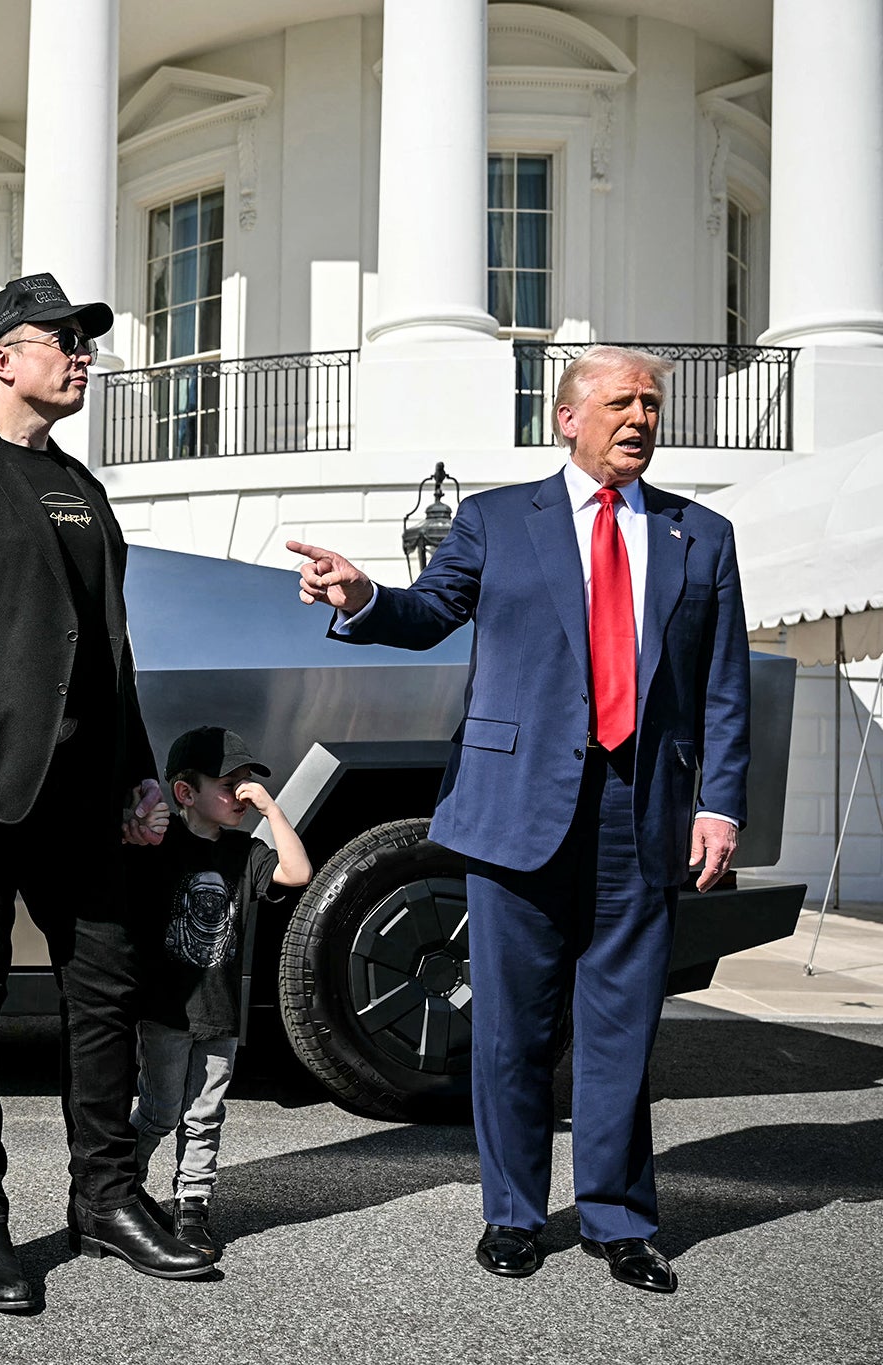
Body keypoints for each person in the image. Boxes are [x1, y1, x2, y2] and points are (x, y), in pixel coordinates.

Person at [287, 345, 749, 1295]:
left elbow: (723, 687)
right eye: (621, 402)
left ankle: (621, 1221)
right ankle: (513, 1214)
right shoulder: (498, 519)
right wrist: (362, 594)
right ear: (566, 417)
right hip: (516, 807)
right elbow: (427, 611)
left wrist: (719, 802)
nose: (640, 419)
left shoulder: (703, 535)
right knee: (511, 1030)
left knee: (622, 1030)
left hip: (642, 811)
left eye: (652, 406)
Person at [0, 272, 216, 1312]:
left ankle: (106, 1199)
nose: (79, 356)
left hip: (86, 798)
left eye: (83, 342)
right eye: (59, 340)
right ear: (0, 359)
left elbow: (109, 650)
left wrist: (138, 776)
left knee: (105, 998)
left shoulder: (81, 487)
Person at [127, 727, 310, 1262]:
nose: (243, 794)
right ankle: (123, 1189)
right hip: (166, 1011)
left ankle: (193, 1210)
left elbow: (297, 872)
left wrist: (272, 810)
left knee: (204, 1115)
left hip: (221, 1013)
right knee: (160, 1111)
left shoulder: (247, 852)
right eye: (231, 785)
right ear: (186, 793)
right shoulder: (163, 845)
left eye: (249, 783)